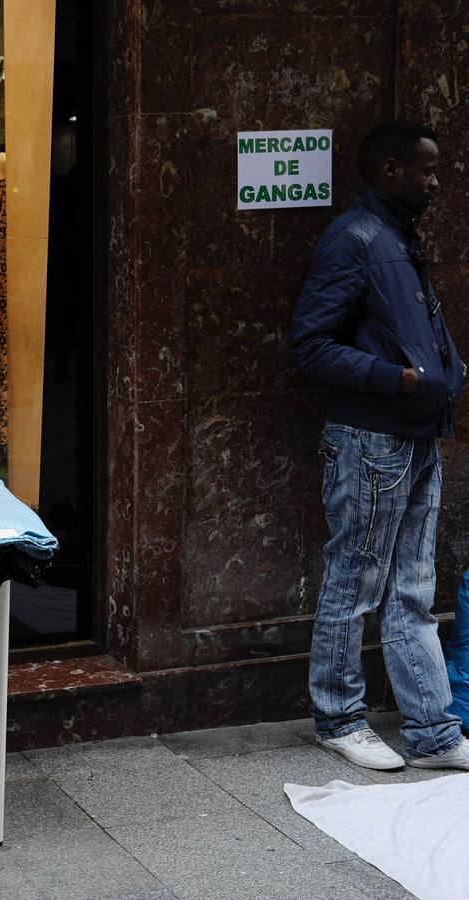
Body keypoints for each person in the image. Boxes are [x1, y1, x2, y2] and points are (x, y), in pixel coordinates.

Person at [290, 119, 469, 771]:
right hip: (370, 437)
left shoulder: (395, 236)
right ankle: (337, 718)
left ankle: (432, 731)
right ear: (390, 169)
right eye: (425, 168)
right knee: (356, 579)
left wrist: (442, 376)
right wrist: (398, 379)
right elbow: (309, 345)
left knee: (414, 587)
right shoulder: (356, 239)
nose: (435, 178)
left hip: (416, 433)